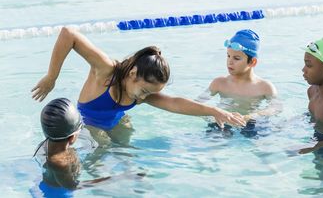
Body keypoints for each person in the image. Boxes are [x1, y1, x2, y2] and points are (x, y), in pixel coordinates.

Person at [31, 27, 245, 145]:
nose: (143, 98)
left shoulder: (142, 93)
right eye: (144, 91)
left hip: (117, 122)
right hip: (89, 125)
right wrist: (52, 77)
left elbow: (176, 104)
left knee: (127, 154)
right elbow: (69, 34)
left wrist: (217, 111)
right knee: (103, 153)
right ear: (132, 73)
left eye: (149, 94)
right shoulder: (106, 70)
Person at [31, 98, 144, 197]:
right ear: (71, 137)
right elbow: (73, 187)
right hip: (58, 194)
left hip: (49, 182)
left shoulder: (45, 145)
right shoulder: (61, 163)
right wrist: (121, 177)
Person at [201, 29, 281, 137]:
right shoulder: (219, 83)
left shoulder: (265, 87)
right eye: (228, 56)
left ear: (252, 62)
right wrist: (214, 114)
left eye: (236, 58)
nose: (230, 62)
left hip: (250, 124)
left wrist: (252, 116)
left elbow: (276, 107)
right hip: (223, 123)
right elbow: (197, 104)